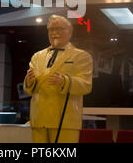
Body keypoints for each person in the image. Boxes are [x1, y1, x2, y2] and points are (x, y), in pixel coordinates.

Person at [24, 14, 93, 143]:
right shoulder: (37, 57)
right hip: (39, 118)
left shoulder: (82, 56)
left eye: (60, 29)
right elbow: (29, 89)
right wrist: (29, 82)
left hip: (65, 119)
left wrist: (65, 81)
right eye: (51, 29)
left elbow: (86, 85)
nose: (55, 33)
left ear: (70, 32)